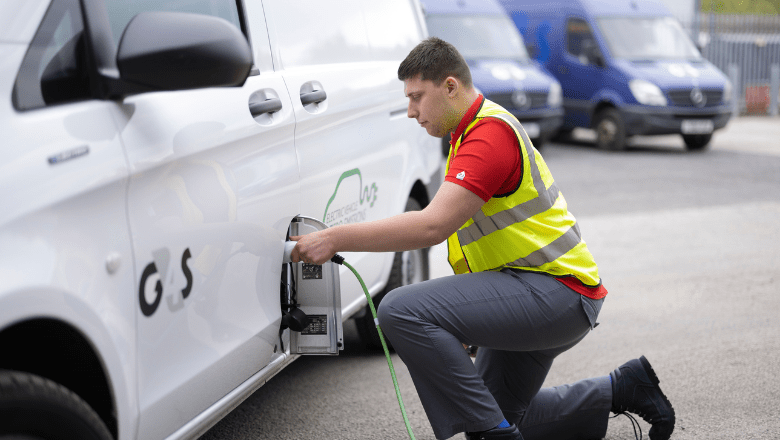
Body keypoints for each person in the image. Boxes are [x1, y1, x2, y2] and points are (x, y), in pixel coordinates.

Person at [290, 37, 675, 440]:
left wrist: (335, 238)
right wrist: (469, 322)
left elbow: (431, 227)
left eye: (418, 97)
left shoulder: (488, 137)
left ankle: (495, 435)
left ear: (451, 87)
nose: (410, 111)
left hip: (557, 294)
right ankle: (622, 388)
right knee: (501, 413)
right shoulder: (469, 133)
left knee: (400, 309)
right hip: (538, 290)